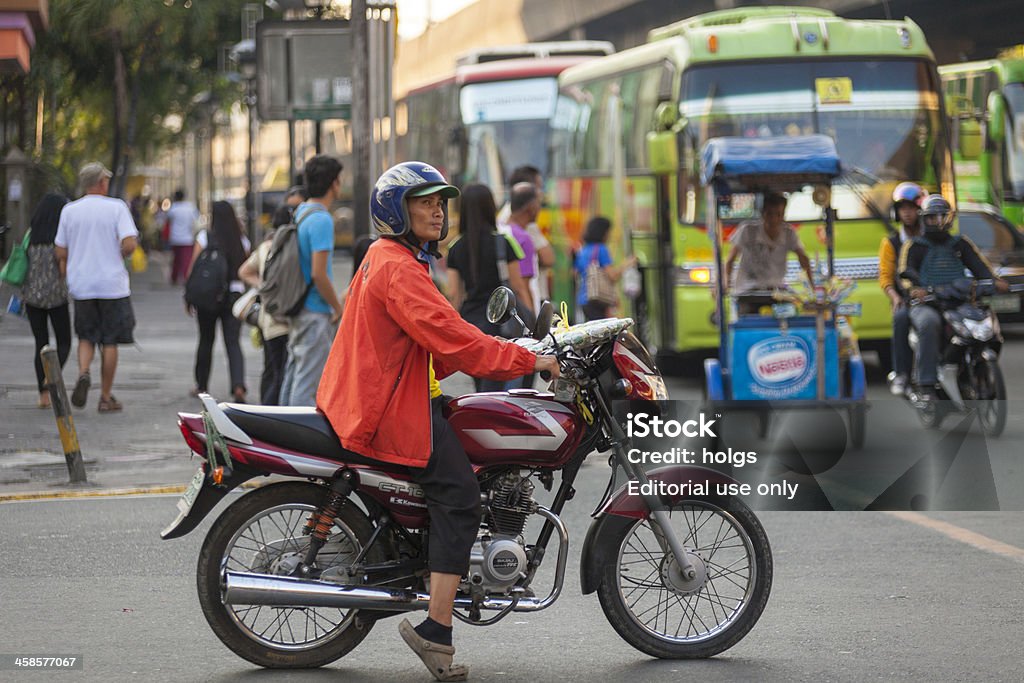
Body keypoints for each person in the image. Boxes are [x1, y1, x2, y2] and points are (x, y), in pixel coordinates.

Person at [317, 161, 558, 682]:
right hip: (388, 410)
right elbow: (453, 338)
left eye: (439, 202)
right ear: (394, 210)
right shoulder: (398, 266)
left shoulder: (396, 260)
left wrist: (506, 349)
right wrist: (528, 360)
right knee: (461, 496)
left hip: (391, 394)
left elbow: (436, 343)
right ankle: (436, 630)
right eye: (423, 201)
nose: (436, 210)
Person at [900, 194, 1007, 402]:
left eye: (943, 217)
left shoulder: (961, 243)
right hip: (928, 303)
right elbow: (905, 274)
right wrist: (914, 289)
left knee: (986, 323)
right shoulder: (914, 246)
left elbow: (981, 268)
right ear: (925, 219)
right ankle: (927, 384)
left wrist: (995, 282)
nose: (939, 222)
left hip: (960, 301)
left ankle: (975, 368)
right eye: (933, 217)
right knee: (929, 323)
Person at [55, 162, 139, 413]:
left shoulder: (69, 211)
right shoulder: (116, 208)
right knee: (110, 341)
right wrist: (118, 252)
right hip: (112, 284)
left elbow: (60, 250)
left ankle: (83, 372)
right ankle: (105, 396)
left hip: (82, 284)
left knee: (86, 335)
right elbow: (130, 244)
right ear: (102, 182)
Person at [446, 183, 533, 392]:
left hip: (473, 324)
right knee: (508, 383)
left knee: (483, 386)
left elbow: (454, 295)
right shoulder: (503, 242)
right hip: (503, 322)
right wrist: (531, 319)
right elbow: (518, 287)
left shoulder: (455, 248)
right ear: (490, 208)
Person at [278, 154, 345, 407]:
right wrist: (337, 308)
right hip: (314, 310)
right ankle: (293, 440)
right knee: (306, 387)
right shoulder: (321, 219)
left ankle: (280, 430)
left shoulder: (302, 212)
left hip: (297, 306)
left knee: (294, 376)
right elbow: (319, 273)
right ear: (333, 183)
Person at [188, 201, 251, 402]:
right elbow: (247, 270)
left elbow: (193, 269)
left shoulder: (204, 237)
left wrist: (189, 295)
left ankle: (201, 385)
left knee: (206, 340)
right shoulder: (242, 240)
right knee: (233, 342)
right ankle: (238, 385)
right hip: (234, 295)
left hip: (209, 296)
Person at [725, 192, 815, 315]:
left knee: (793, 315)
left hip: (776, 292)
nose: (774, 219)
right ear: (762, 214)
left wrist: (813, 288)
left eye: (778, 214)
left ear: (783, 215)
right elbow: (730, 260)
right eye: (769, 214)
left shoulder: (789, 233)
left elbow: (803, 259)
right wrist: (725, 284)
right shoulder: (747, 230)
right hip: (748, 292)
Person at [238, 205, 294, 405]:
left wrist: (262, 286)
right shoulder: (290, 246)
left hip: (267, 319)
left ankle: (266, 410)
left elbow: (244, 271)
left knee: (271, 369)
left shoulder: (264, 247)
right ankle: (277, 414)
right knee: (284, 373)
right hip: (286, 318)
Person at [21, 193, 71, 408]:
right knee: (64, 343)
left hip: (32, 299)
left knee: (40, 344)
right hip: (56, 298)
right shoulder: (60, 240)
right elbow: (63, 270)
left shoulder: (30, 236)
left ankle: (43, 396)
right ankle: (50, 378)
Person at [878, 182, 925, 396]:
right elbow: (886, 277)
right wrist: (895, 297)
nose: (906, 213)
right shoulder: (891, 243)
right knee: (900, 319)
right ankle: (902, 373)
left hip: (935, 296)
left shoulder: (930, 237)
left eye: (911, 208)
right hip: (906, 299)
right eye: (902, 208)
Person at [500, 165, 555, 304]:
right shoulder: (523, 227)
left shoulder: (504, 219)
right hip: (530, 297)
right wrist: (530, 317)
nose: (542, 195)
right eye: (539, 188)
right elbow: (523, 285)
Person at [573, 216, 637, 321]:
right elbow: (612, 276)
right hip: (598, 300)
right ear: (602, 232)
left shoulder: (583, 250)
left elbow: (576, 273)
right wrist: (627, 264)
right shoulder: (601, 249)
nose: (609, 235)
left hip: (584, 300)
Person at [166, 188, 200, 285]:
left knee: (176, 260)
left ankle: (174, 277)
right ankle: (187, 277)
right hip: (187, 238)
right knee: (186, 260)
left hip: (175, 238)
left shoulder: (173, 208)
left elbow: (168, 220)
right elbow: (196, 220)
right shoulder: (190, 207)